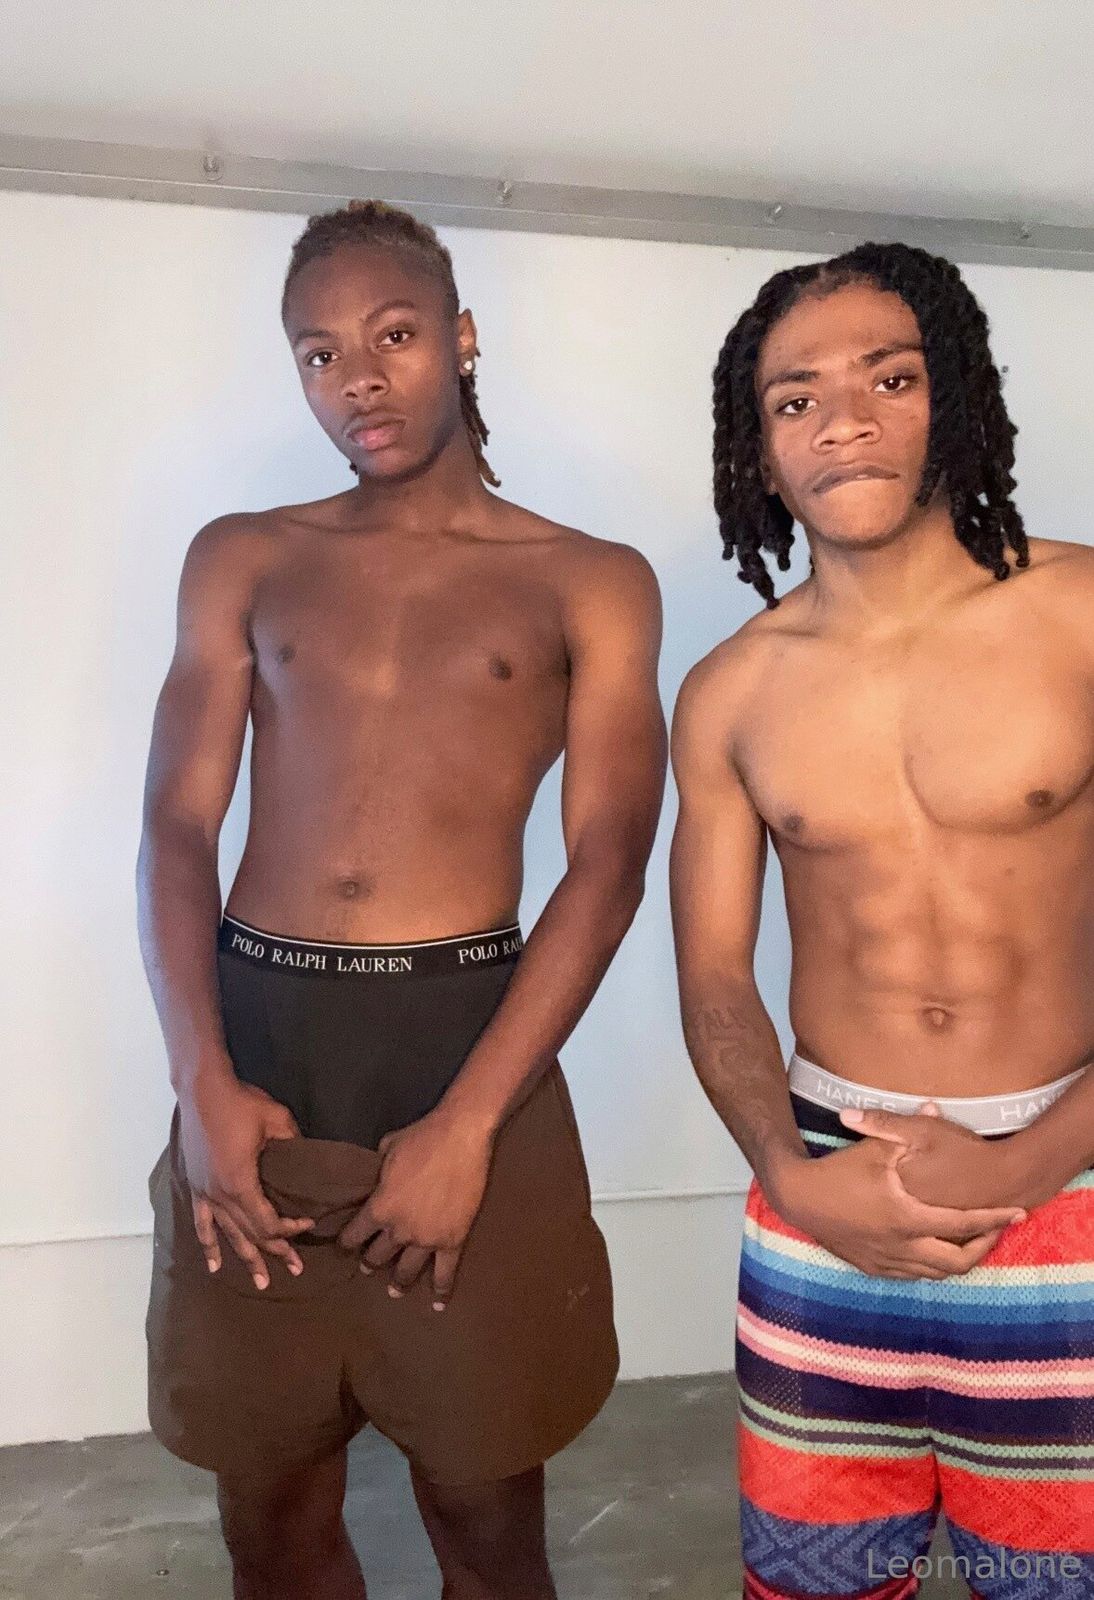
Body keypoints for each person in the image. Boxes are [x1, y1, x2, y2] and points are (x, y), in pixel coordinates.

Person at [137, 199, 666, 1600]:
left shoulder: (589, 580)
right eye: (318, 354)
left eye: (391, 336)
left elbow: (610, 857)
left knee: (484, 1509)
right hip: (258, 1031)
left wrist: (469, 1124)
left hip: (462, 1034)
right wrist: (200, 1080)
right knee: (270, 1505)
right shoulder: (244, 554)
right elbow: (177, 825)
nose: (356, 380)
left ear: (461, 336)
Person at [670, 242, 1093, 1599]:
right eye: (794, 399)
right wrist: (786, 1175)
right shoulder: (730, 691)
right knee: (816, 1579)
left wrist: (1030, 1159)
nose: (840, 421)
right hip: (821, 1199)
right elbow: (713, 978)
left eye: (888, 380)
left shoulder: (1081, 615)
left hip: (1073, 1187)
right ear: (759, 450)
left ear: (951, 398)